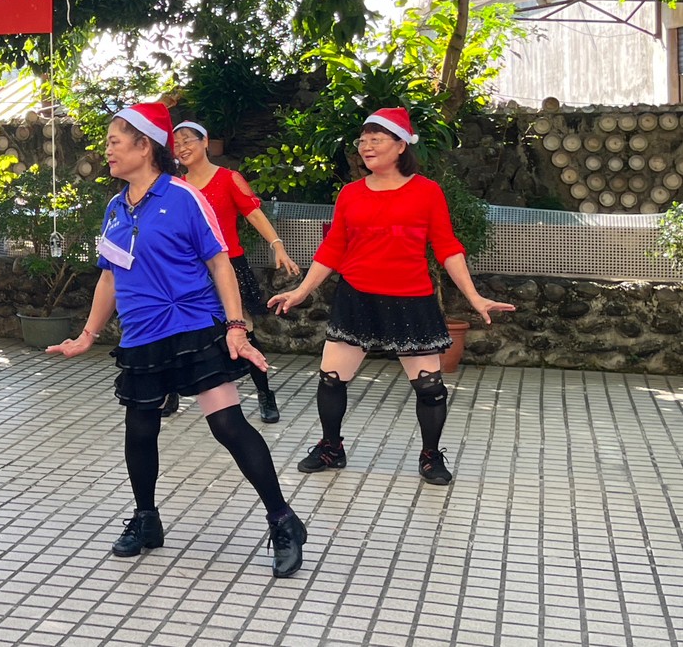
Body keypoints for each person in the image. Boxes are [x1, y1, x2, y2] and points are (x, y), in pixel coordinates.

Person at [48, 102, 306, 578]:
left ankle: (283, 520)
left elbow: (220, 263)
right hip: (141, 334)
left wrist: (235, 326)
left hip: (192, 326)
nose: (107, 150)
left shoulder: (185, 196)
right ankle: (147, 519)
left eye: (114, 142)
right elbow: (109, 277)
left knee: (227, 424)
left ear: (145, 146)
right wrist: (87, 335)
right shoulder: (115, 208)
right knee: (140, 429)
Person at [268, 107, 515, 486]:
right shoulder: (350, 194)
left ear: (401, 145)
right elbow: (333, 248)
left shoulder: (427, 192)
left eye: (376, 139)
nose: (366, 146)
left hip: (411, 300)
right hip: (356, 298)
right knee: (331, 378)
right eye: (363, 140)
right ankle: (331, 447)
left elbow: (448, 248)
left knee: (430, 387)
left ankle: (430, 456)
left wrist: (474, 296)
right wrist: (301, 290)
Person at [168, 119, 300, 423]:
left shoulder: (228, 178)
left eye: (188, 140)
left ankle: (265, 394)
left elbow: (253, 213)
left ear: (205, 142)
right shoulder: (177, 186)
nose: (182, 148)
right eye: (176, 144)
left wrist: (277, 245)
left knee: (244, 329)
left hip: (229, 265)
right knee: (180, 330)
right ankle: (171, 392)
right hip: (190, 269)